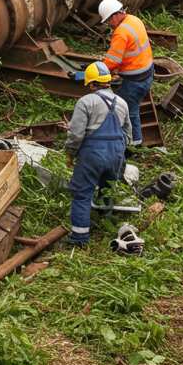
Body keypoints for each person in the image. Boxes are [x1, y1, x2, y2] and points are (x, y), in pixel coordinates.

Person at [64, 62, 130, 246]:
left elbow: (76, 134)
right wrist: (118, 153)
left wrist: (70, 153)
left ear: (92, 84)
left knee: (82, 193)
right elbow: (128, 135)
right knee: (107, 188)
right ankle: (104, 221)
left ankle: (79, 237)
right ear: (108, 82)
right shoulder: (123, 103)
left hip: (93, 153)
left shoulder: (86, 102)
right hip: (116, 152)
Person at [74, 0, 152, 150]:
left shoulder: (121, 33)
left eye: (109, 20)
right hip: (147, 71)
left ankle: (134, 144)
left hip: (135, 80)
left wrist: (87, 73)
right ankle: (132, 141)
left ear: (115, 15)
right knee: (130, 106)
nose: (109, 24)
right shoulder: (134, 20)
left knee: (128, 109)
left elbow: (112, 62)